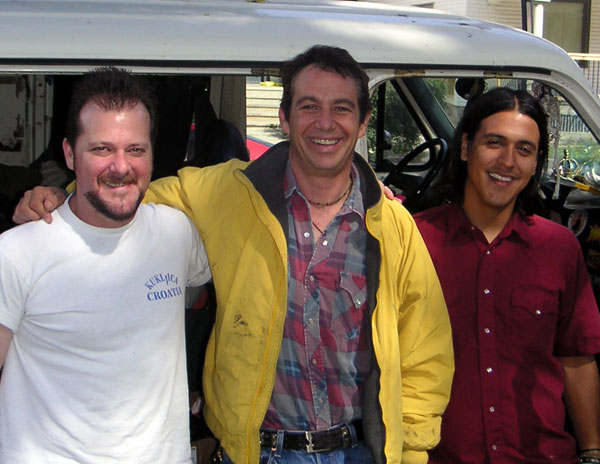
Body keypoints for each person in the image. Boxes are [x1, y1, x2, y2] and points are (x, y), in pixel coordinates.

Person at [13, 46, 454, 463]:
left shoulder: (393, 227)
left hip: (361, 449)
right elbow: (128, 192)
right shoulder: (227, 192)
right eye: (308, 106)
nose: (325, 122)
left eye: (341, 108)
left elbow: (425, 352)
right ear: (284, 118)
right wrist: (59, 197)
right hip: (257, 452)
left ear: (362, 124)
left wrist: (410, 451)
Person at [0, 68, 211, 463]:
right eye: (101, 149)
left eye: (135, 149)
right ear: (68, 154)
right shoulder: (17, 253)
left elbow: (198, 291)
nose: (120, 166)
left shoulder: (175, 232)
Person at [414, 87, 600, 464]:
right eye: (494, 143)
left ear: (536, 164)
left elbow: (576, 359)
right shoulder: (413, 241)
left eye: (524, 149)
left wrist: (592, 452)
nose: (508, 161)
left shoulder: (559, 249)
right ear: (466, 148)